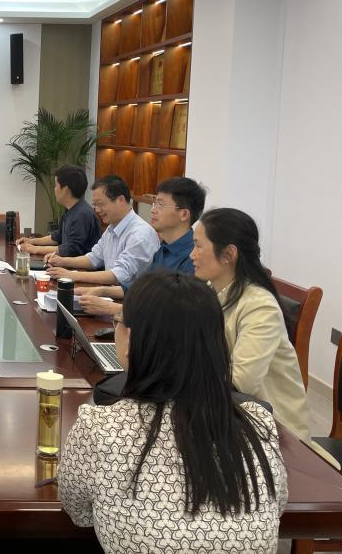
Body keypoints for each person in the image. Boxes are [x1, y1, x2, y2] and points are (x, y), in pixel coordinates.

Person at [59, 271, 286, 554]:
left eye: (118, 321)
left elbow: (79, 513)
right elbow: (276, 506)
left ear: (130, 340)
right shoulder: (259, 422)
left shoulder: (99, 428)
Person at [192, 207, 310, 441]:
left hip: (273, 430)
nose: (192, 255)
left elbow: (240, 382)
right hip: (227, 412)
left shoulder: (259, 307)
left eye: (198, 246)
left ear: (228, 254)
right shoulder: (211, 290)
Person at [76, 176, 206, 315]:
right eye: (154, 204)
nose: (153, 210)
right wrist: (101, 291)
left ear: (184, 214)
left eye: (160, 205)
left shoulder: (193, 258)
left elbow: (173, 313)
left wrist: (114, 309)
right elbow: (141, 288)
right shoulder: (163, 249)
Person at [46, 175, 159, 285]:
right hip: (109, 292)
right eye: (95, 205)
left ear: (120, 200)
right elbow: (94, 258)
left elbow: (118, 275)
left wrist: (72, 275)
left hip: (127, 296)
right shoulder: (112, 227)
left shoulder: (140, 234)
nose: (97, 210)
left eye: (100, 204)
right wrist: (62, 261)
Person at [15, 164, 101, 257]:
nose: (54, 189)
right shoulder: (71, 210)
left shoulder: (82, 214)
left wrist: (35, 249)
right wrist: (31, 241)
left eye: (56, 185)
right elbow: (58, 237)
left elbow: (71, 249)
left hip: (79, 266)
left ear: (65, 190)